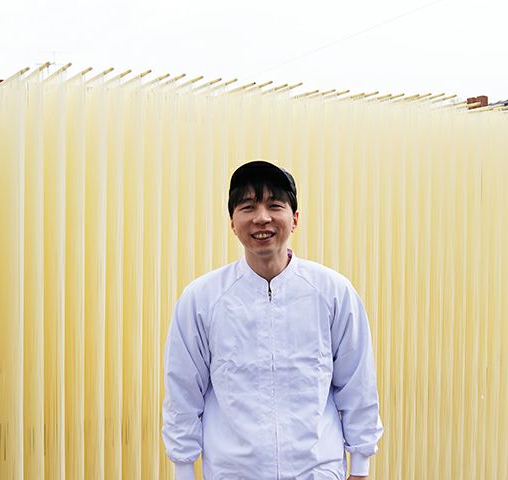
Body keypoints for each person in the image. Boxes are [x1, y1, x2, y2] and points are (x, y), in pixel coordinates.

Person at [162, 160, 383, 480]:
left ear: (295, 219)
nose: (262, 217)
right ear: (232, 222)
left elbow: (357, 382)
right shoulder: (202, 299)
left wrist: (360, 466)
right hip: (233, 473)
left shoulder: (332, 292)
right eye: (248, 207)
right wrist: (183, 469)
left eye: (274, 205)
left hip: (317, 470)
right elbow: (183, 391)